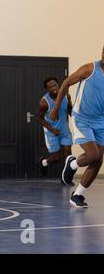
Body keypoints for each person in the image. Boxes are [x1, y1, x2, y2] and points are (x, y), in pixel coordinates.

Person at [51, 46, 104, 208]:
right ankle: (73, 164)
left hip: (101, 122)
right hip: (82, 119)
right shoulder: (90, 69)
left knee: (98, 160)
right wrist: (56, 107)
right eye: (103, 51)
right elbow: (66, 83)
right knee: (93, 154)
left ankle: (77, 195)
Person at [36, 77, 73, 184]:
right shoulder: (44, 102)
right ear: (47, 89)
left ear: (58, 84)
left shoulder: (66, 96)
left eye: (55, 85)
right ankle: (44, 162)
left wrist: (75, 117)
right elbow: (39, 118)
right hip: (51, 132)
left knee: (68, 154)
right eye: (50, 87)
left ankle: (66, 178)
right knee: (56, 158)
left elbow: (70, 109)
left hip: (64, 130)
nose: (54, 88)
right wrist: (52, 129)